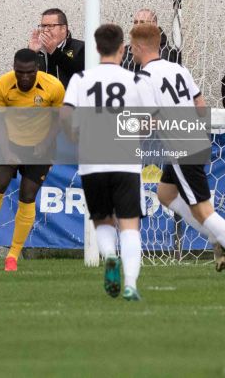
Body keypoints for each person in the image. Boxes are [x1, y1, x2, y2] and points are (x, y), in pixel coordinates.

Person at [131, 23, 225, 280]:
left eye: (132, 47)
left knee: (202, 209)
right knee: (166, 194)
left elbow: (147, 121)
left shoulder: (144, 78)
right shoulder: (178, 69)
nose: (131, 52)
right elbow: (200, 104)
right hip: (194, 136)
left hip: (180, 146)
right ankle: (217, 239)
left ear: (139, 47)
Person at [60, 24, 150, 300]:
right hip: (125, 161)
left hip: (92, 161)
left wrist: (74, 136)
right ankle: (131, 284)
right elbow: (148, 121)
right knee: (130, 224)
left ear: (97, 49)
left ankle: (110, 255)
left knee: (102, 220)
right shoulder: (135, 80)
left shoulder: (81, 79)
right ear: (122, 48)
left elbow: (65, 114)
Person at [0, 48, 65, 271]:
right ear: (14, 69)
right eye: (20, 72)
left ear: (37, 69)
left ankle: (13, 255)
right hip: (11, 143)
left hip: (41, 148)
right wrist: (6, 149)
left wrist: (46, 144)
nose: (24, 77)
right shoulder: (2, 84)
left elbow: (59, 119)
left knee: (27, 196)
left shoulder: (54, 86)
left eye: (29, 72)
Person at [29, 8, 85, 87]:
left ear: (63, 28)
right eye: (43, 26)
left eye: (50, 26)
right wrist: (31, 53)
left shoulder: (81, 47)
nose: (45, 30)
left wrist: (54, 51)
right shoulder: (38, 50)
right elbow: (22, 77)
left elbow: (80, 74)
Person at [121, 8, 183, 73]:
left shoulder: (165, 52)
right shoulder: (126, 51)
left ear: (154, 24)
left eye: (142, 22)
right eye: (135, 22)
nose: (138, 25)